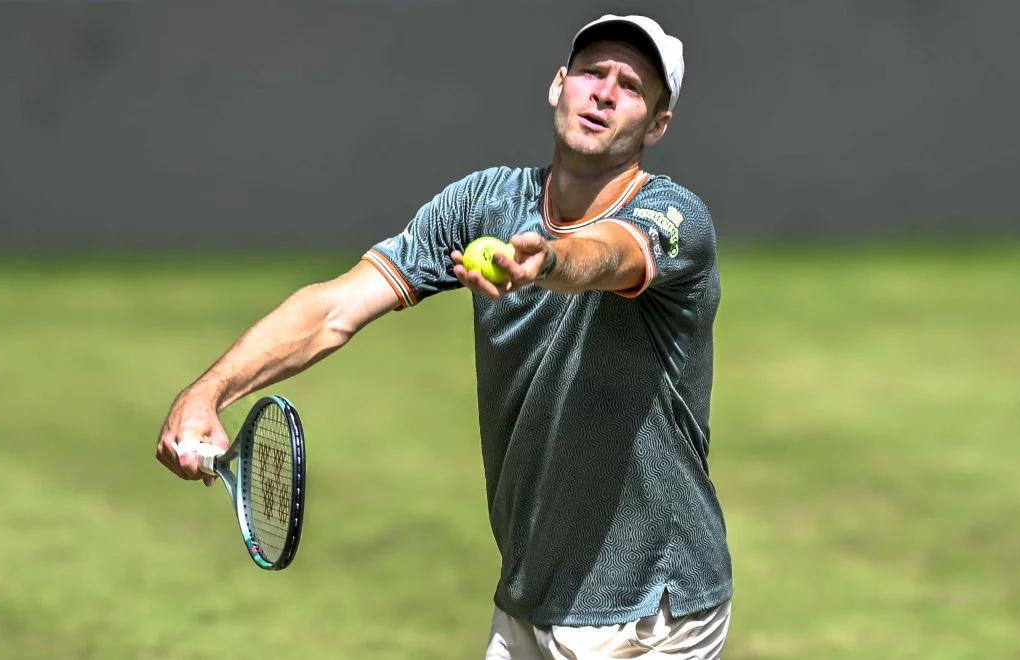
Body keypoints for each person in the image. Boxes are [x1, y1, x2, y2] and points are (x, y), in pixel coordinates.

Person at [155, 14, 732, 658]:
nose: (602, 92)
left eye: (630, 86)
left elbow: (610, 255)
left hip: (653, 610)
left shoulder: (675, 216)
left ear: (656, 125)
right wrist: (211, 390)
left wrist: (548, 261)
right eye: (593, 73)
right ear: (558, 86)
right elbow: (336, 307)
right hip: (529, 598)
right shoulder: (483, 204)